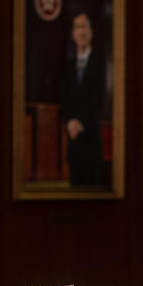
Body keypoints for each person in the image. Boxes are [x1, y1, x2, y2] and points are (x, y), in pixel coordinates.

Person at [60, 12, 106, 186]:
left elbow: (97, 99)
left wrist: (79, 122)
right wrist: (70, 122)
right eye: (77, 27)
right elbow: (64, 100)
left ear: (91, 32)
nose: (81, 31)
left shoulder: (99, 62)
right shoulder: (69, 65)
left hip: (90, 140)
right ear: (73, 33)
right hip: (73, 143)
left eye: (84, 26)